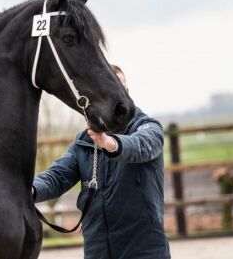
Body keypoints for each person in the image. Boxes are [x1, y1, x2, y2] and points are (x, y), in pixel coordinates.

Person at [33, 65, 170, 259]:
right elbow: (57, 177)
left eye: (119, 87)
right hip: (98, 248)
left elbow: (140, 146)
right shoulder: (84, 142)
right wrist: (27, 192)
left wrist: (109, 143)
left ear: (127, 93)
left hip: (143, 247)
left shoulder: (148, 127)